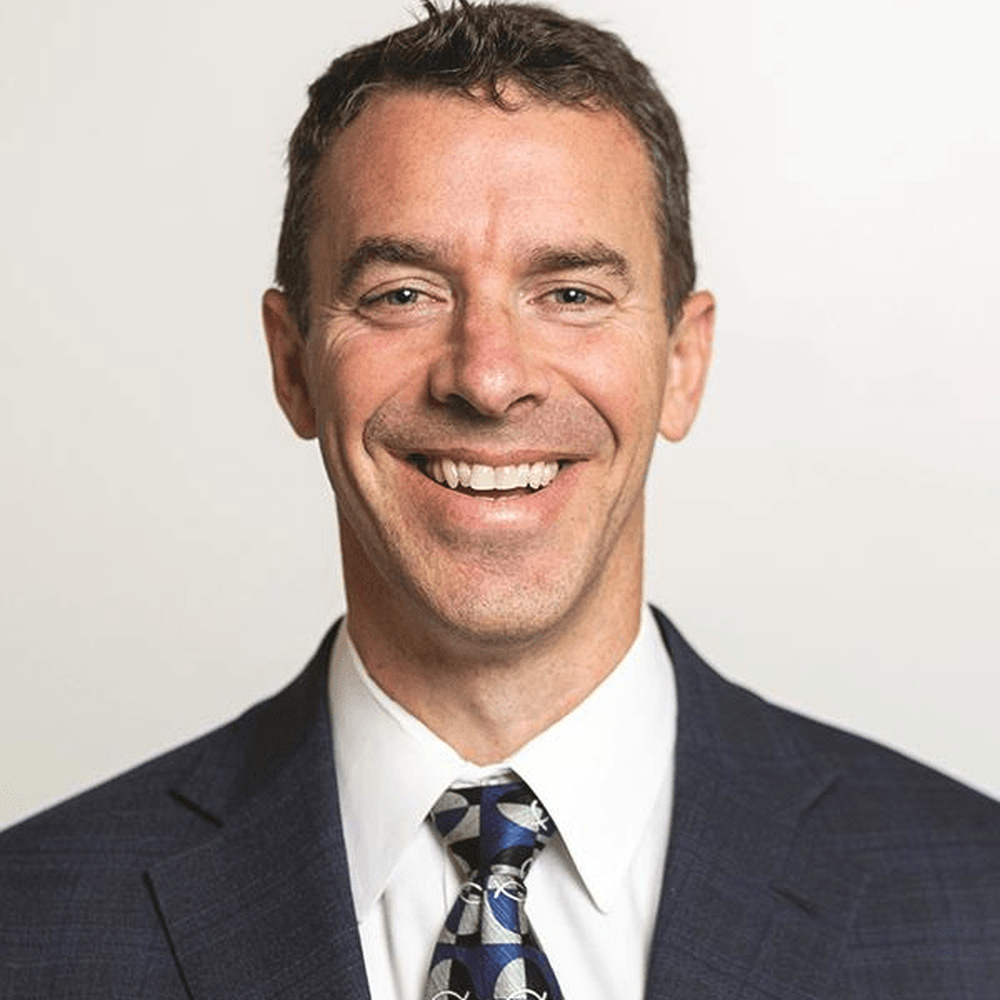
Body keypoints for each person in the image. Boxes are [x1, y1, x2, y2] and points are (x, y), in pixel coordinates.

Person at [2, 2, 999, 998]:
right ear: (293, 365)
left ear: (682, 362)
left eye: (571, 294)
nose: (487, 379)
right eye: (402, 293)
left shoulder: (973, 905)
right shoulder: (30, 927)